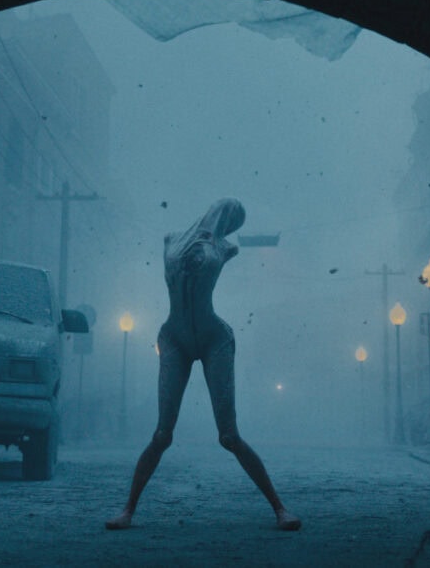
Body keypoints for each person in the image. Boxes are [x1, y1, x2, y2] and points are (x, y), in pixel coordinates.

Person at [106, 198, 301, 531]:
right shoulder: (172, 239)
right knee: (162, 434)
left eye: (234, 219)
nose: (227, 219)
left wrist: (213, 240)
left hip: (214, 339)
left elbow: (206, 255)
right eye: (228, 211)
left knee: (229, 436)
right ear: (214, 208)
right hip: (174, 337)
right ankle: (127, 510)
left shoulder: (224, 248)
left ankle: (280, 509)